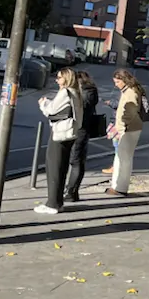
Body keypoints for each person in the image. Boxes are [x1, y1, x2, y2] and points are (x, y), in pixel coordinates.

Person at [35, 67, 84, 216]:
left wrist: (43, 103)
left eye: (60, 78)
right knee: (61, 167)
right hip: (71, 133)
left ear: (67, 79)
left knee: (53, 167)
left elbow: (51, 111)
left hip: (60, 133)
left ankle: (52, 204)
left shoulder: (65, 92)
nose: (57, 80)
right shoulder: (76, 93)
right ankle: (58, 202)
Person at [64, 70, 99, 203]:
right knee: (78, 160)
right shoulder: (91, 90)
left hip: (80, 129)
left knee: (75, 161)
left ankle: (71, 191)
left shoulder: (84, 92)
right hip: (83, 128)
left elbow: (79, 109)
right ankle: (72, 191)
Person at [108, 69, 144, 196]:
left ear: (124, 80)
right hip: (131, 127)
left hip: (129, 129)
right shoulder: (131, 90)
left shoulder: (130, 92)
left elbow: (130, 110)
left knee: (123, 158)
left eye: (117, 82)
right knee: (123, 157)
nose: (116, 85)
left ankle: (119, 187)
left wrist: (121, 127)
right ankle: (118, 186)